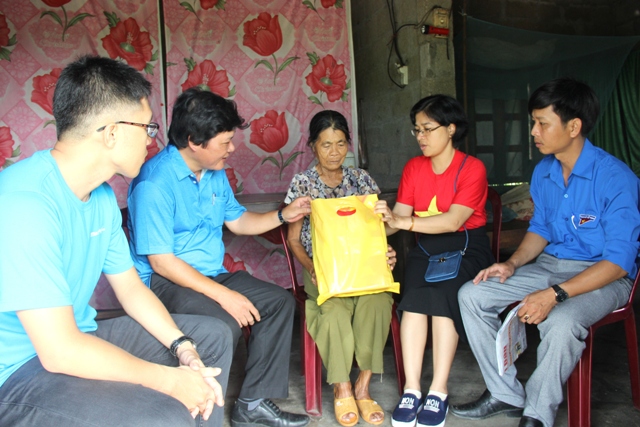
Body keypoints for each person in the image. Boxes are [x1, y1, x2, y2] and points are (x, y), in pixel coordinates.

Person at [0, 56, 233, 427]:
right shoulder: (25, 204)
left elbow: (130, 288)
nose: (152, 140)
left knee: (210, 337)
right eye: (147, 127)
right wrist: (169, 381)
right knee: (165, 414)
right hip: (16, 372)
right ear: (111, 133)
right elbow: (59, 351)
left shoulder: (101, 195)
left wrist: (182, 348)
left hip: (79, 335)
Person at [450, 78, 640, 427]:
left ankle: (537, 414)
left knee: (562, 320)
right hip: (551, 266)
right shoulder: (544, 171)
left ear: (574, 127)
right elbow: (541, 228)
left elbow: (618, 263)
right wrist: (512, 263)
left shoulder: (615, 178)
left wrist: (554, 295)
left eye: (542, 123)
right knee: (472, 295)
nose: (534, 132)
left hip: (604, 276)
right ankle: (505, 394)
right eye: (533, 122)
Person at [127, 87, 312, 427]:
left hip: (210, 273)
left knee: (279, 302)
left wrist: (284, 215)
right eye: (225, 141)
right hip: (164, 282)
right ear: (194, 141)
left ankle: (252, 405)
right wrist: (224, 296)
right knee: (221, 324)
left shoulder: (214, 172)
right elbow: (161, 262)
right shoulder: (154, 183)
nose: (233, 148)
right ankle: (201, 413)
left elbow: (238, 222)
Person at [375, 95, 494, 427]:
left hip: (466, 246)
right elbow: (397, 219)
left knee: (443, 298)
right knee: (413, 299)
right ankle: (412, 389)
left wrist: (403, 222)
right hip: (426, 248)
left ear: (451, 128)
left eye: (428, 128)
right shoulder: (414, 168)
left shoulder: (472, 168)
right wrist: (374, 224)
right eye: (417, 130)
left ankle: (438, 391)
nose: (421, 136)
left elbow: (453, 221)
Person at [283, 110, 398, 427]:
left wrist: (385, 251)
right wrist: (313, 268)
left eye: (341, 144)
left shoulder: (361, 179)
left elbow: (377, 230)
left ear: (349, 144)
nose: (335, 152)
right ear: (313, 146)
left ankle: (362, 385)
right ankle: (342, 386)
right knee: (332, 311)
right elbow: (293, 239)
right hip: (323, 269)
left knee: (378, 302)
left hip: (363, 267)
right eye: (326, 145)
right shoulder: (303, 184)